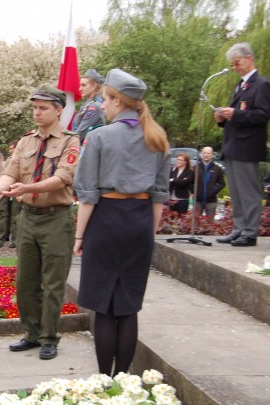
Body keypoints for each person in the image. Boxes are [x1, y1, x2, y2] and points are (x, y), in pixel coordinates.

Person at [73, 68, 170, 376]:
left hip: (106, 220)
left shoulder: (99, 136)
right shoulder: (157, 138)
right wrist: (148, 234)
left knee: (104, 306)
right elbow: (159, 196)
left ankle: (105, 379)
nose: (102, 106)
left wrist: (79, 237)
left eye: (105, 99)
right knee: (128, 306)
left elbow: (87, 194)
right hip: (140, 222)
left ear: (117, 100)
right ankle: (124, 379)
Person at [0, 85, 80, 360]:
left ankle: (49, 337)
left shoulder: (70, 141)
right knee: (25, 282)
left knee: (53, 282)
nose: (37, 112)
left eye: (43, 108)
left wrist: (28, 188)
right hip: (28, 219)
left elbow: (63, 178)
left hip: (56, 218)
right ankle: (32, 334)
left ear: (59, 110)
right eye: (34, 107)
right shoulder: (25, 142)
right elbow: (10, 173)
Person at [214, 42, 270, 247]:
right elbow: (239, 116)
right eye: (233, 64)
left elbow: (263, 115)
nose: (235, 67)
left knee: (248, 192)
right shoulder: (241, 85)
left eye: (237, 63)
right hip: (233, 145)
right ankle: (238, 228)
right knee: (236, 192)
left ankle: (250, 231)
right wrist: (223, 118)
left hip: (247, 147)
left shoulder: (261, 84)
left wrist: (235, 113)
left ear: (249, 58)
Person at [72, 69, 106, 144]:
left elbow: (80, 133)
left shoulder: (95, 107)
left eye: (83, 85)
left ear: (94, 86)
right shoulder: (87, 104)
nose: (80, 89)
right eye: (80, 85)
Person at [194, 146, 225, 220]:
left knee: (210, 224)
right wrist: (194, 191)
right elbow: (190, 182)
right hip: (198, 200)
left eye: (208, 153)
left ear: (212, 155)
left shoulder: (217, 169)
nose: (206, 155)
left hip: (211, 200)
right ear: (201, 154)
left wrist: (214, 191)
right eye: (204, 153)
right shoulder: (196, 168)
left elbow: (222, 183)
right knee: (195, 222)